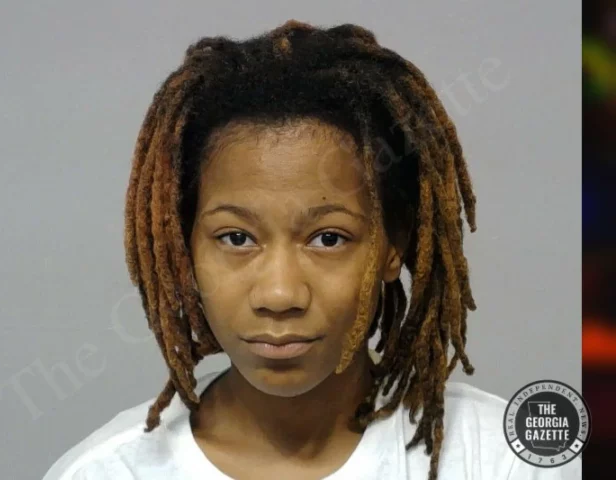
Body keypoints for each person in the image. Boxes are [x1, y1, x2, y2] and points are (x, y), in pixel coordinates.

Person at [44, 20, 581, 480]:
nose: (280, 294)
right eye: (236, 238)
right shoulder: (110, 472)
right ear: (182, 249)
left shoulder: (506, 460)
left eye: (328, 238)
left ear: (392, 248)